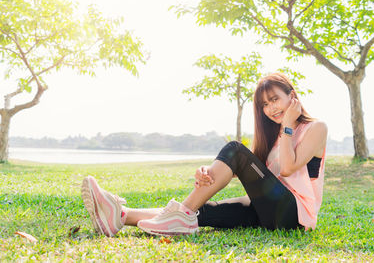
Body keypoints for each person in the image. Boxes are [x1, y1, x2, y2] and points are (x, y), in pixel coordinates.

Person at [81, 72, 328, 237]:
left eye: (275, 99)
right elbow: (244, 170)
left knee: (234, 148)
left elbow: (287, 168)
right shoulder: (274, 137)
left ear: (291, 96)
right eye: (264, 104)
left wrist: (287, 124)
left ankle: (179, 215)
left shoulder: (315, 128)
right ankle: (120, 216)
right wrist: (207, 172)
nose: (271, 108)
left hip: (294, 216)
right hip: (267, 209)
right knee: (202, 211)